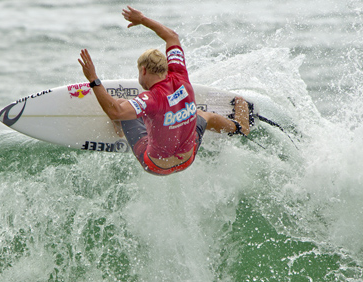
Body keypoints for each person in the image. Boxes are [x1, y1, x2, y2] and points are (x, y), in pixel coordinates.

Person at [78, 6, 251, 176]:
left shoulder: (150, 98)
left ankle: (119, 130)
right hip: (187, 159)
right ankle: (240, 127)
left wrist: (93, 79)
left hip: (156, 166)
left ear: (144, 70)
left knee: (122, 106)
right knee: (204, 115)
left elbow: (115, 111)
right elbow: (171, 37)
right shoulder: (180, 73)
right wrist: (142, 19)